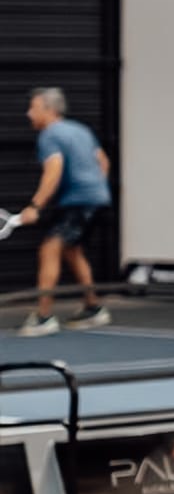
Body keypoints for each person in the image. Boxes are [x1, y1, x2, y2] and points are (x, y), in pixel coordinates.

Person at [18, 87, 112, 336]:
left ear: (49, 110)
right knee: (72, 249)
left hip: (78, 202)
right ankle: (93, 307)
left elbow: (54, 171)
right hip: (98, 198)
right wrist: (95, 188)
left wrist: (35, 206)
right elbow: (103, 162)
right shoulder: (81, 130)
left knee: (49, 249)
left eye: (33, 108)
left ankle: (44, 317)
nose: (29, 113)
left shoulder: (49, 135)